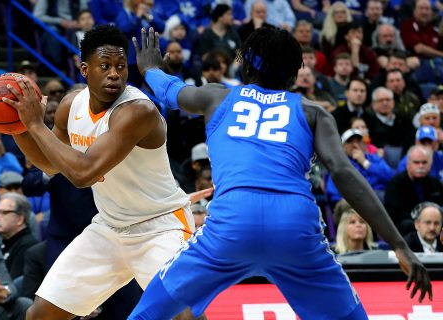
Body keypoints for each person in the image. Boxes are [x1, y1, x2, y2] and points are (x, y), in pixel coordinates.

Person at [129, 27, 432, 319]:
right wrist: (399, 245)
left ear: (247, 65)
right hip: (294, 224)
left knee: (147, 313)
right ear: (293, 74)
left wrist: (151, 68)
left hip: (233, 220)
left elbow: (170, 90)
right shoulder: (313, 112)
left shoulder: (217, 97)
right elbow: (344, 174)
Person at [3, 25, 203, 320]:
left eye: (121, 66)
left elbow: (83, 174)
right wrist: (18, 128)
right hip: (109, 227)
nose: (114, 74)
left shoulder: (137, 111)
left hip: (160, 227)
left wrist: (35, 125)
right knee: (39, 315)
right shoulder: (71, 105)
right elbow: (50, 165)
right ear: (85, 69)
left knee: (184, 316)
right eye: (105, 66)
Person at [0, 193, 38, 279]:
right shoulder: (6, 243)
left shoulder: (27, 247)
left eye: (3, 212)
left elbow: (14, 287)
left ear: (19, 219)